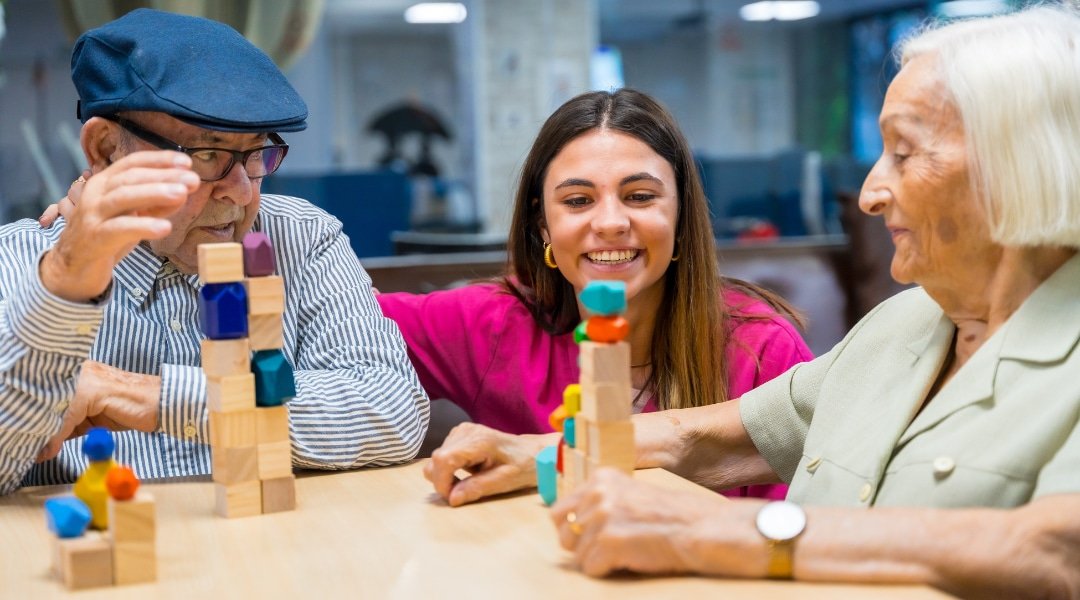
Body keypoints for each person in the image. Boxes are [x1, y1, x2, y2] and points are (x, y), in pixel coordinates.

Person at [538, 6, 1080, 598]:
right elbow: (703, 437)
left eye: (904, 154)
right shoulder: (904, 322)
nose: (871, 193)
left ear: (1021, 165)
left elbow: (1053, 550)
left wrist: (725, 532)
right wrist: (528, 454)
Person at [4, 9, 429, 495]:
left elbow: (393, 410)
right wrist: (67, 283)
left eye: (256, 154)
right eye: (207, 154)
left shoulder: (300, 239)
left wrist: (160, 398)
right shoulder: (22, 263)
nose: (243, 192)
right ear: (105, 150)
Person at [387, 89, 813, 507]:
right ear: (543, 227)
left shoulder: (764, 352)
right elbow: (344, 321)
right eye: (578, 201)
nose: (610, 222)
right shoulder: (492, 323)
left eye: (640, 196)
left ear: (681, 217)